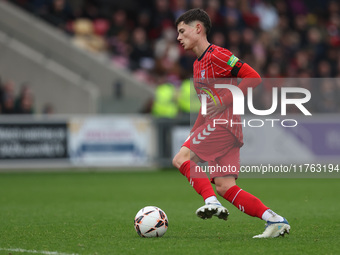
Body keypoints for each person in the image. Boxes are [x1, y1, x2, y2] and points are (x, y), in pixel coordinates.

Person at [172, 8, 290, 238]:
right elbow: (207, 107)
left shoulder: (217, 54)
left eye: (182, 31)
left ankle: (210, 202)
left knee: (180, 159)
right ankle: (275, 220)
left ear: (198, 28)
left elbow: (253, 77)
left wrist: (225, 100)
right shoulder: (197, 65)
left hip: (223, 125)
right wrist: (194, 132)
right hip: (223, 127)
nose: (178, 37)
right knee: (226, 186)